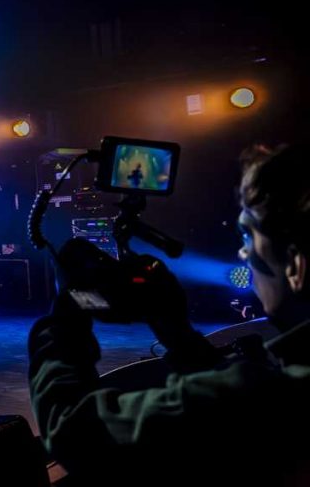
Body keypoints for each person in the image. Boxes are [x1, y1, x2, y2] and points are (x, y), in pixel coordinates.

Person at [28, 143, 310, 485]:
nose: (243, 252)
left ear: (295, 265)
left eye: (248, 234)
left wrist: (67, 313)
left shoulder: (264, 398)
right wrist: (175, 330)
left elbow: (71, 432)